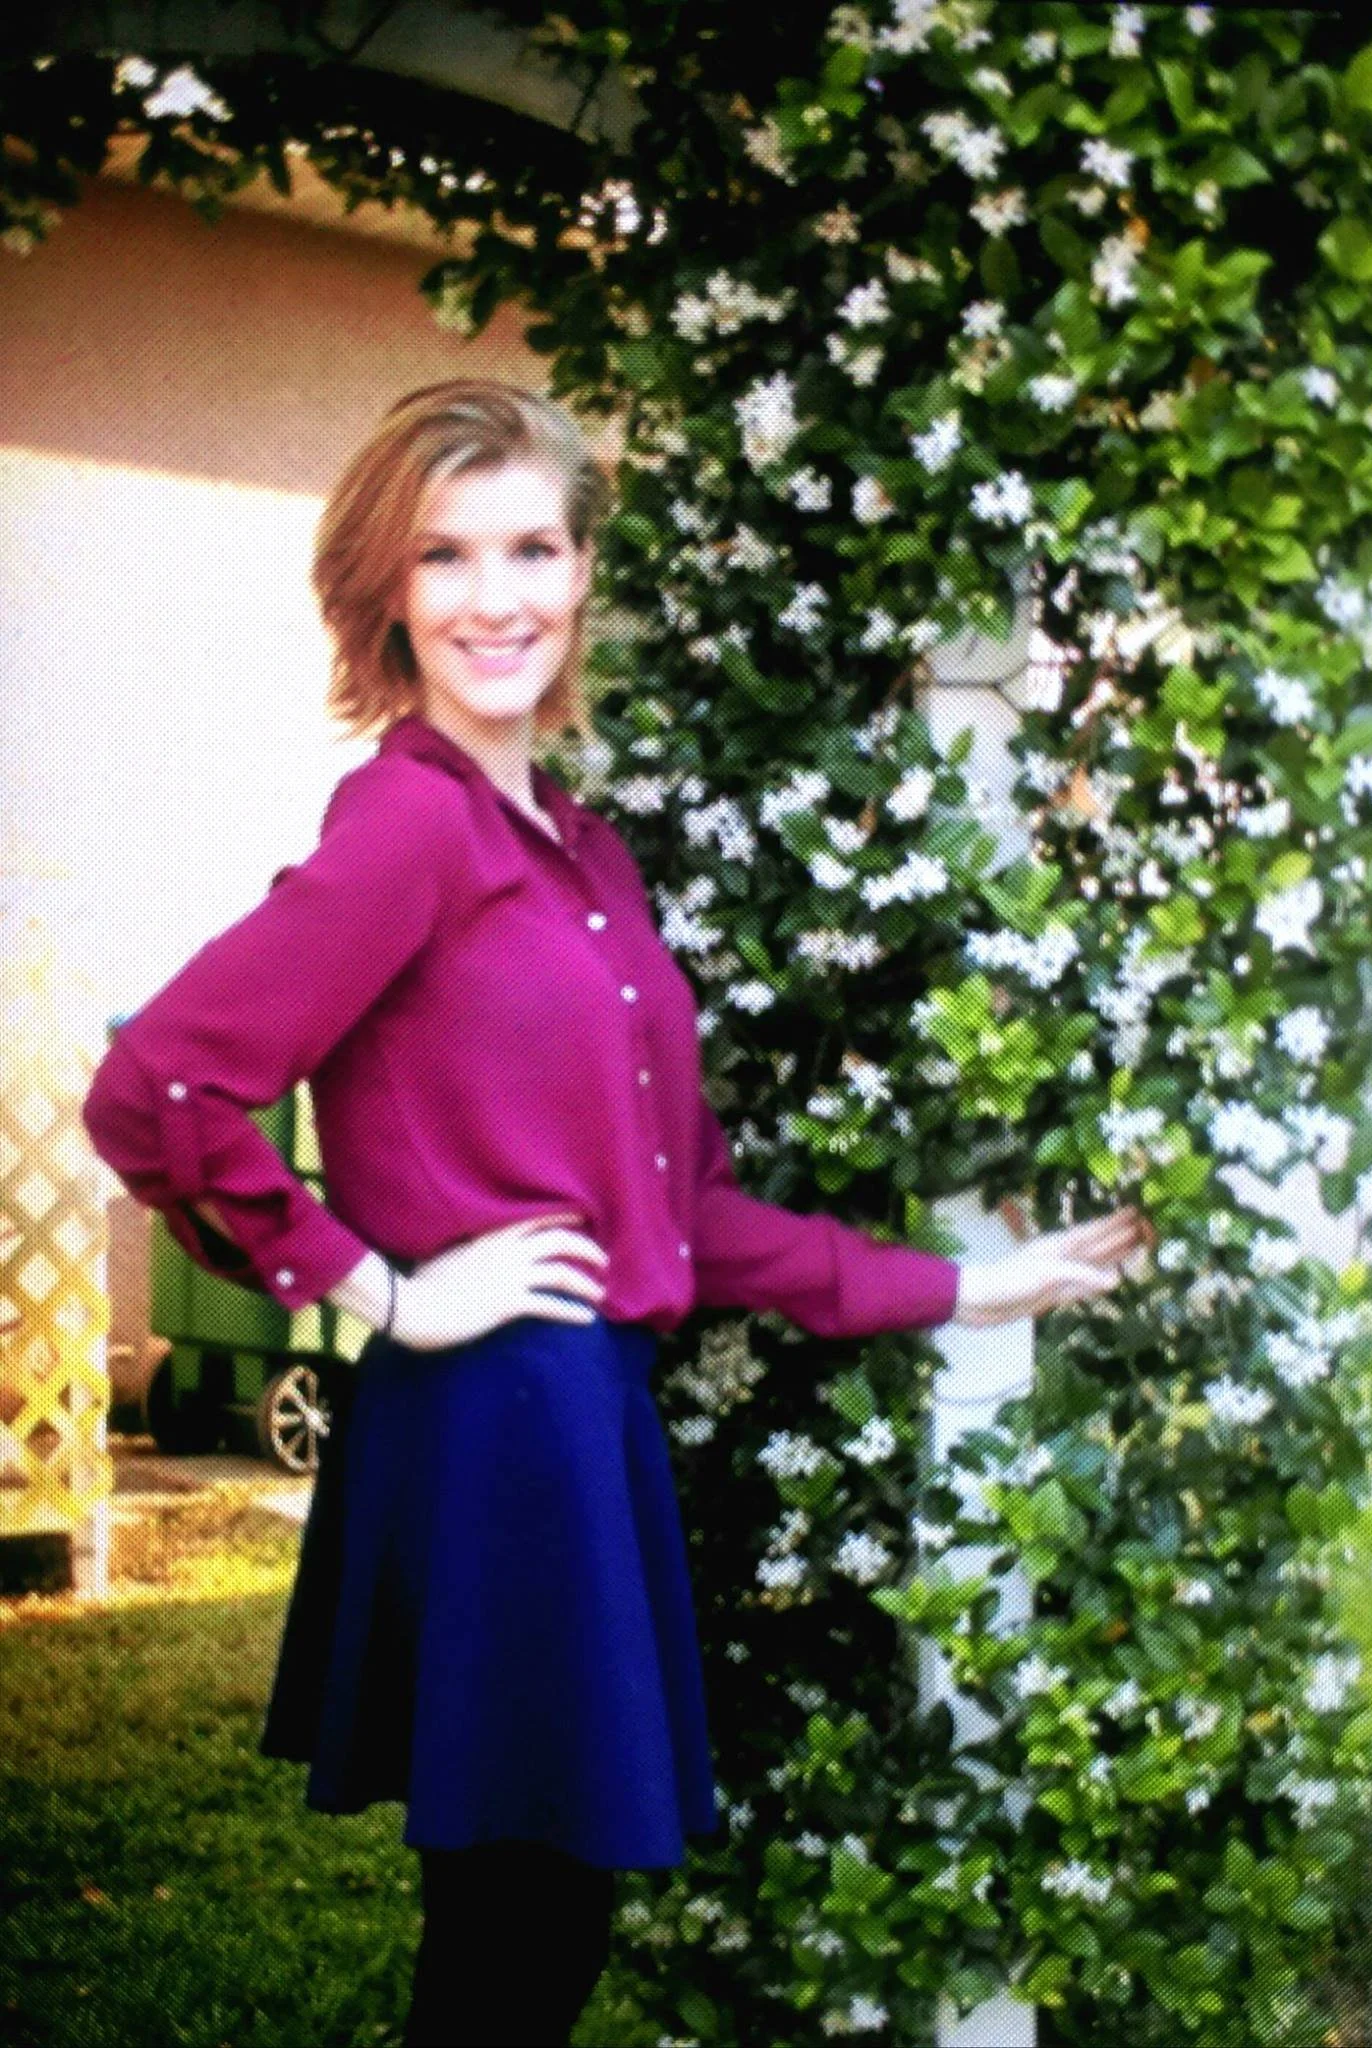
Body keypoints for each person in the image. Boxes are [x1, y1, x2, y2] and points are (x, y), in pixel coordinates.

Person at [82, 378, 1154, 2048]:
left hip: (573, 1424)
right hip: (496, 1417)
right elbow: (158, 1089)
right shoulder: (410, 826)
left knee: (536, 1929)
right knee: (516, 1937)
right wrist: (380, 1288)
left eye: (529, 544)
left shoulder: (581, 854)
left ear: (583, 571)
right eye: (443, 555)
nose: (492, 595)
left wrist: (961, 1288)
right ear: (386, 592)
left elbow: (686, 1213)